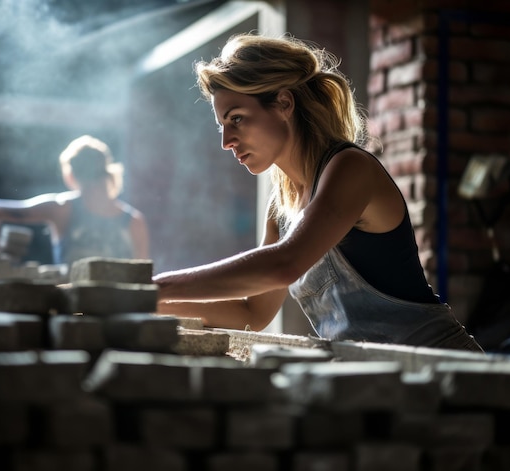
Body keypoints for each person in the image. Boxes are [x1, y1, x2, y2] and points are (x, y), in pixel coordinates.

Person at [152, 33, 483, 352]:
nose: (227, 141)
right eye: (222, 126)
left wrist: (157, 288)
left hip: (445, 373)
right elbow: (251, 314)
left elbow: (284, 265)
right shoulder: (279, 208)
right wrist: (144, 301)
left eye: (237, 119)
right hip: (373, 381)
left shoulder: (350, 167)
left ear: (283, 102)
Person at [0, 135, 150, 266]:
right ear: (109, 171)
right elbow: (143, 281)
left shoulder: (62, 209)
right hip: (120, 314)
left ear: (70, 175)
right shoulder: (134, 221)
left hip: (72, 313)